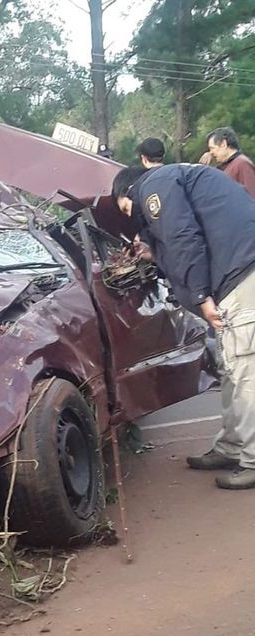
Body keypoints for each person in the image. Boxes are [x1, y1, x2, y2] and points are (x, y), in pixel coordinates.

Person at [112, 163, 255, 490]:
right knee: (234, 369)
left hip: (241, 272)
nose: (133, 215)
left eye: (125, 207)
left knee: (246, 369)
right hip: (239, 266)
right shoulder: (180, 178)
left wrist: (201, 294)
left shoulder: (153, 186)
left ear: (129, 190)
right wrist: (154, 253)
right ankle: (232, 448)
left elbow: (181, 236)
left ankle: (252, 458)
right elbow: (185, 237)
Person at [199, 127, 255, 199]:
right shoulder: (226, 166)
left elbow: (251, 197)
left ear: (223, 144)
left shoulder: (242, 164)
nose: (211, 153)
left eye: (212, 148)